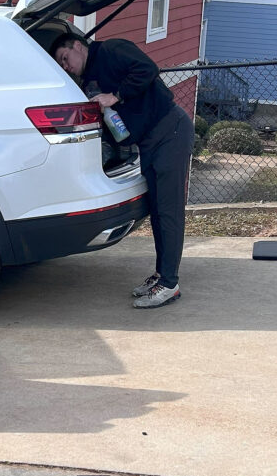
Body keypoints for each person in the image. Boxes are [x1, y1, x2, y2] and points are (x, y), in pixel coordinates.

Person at [50, 33, 193, 309]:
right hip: (149, 143)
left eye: (65, 58)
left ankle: (170, 285)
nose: (65, 66)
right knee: (157, 211)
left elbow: (148, 69)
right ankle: (162, 275)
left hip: (170, 132)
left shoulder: (111, 50)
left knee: (169, 211)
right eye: (61, 65)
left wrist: (115, 96)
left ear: (78, 46)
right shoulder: (89, 80)